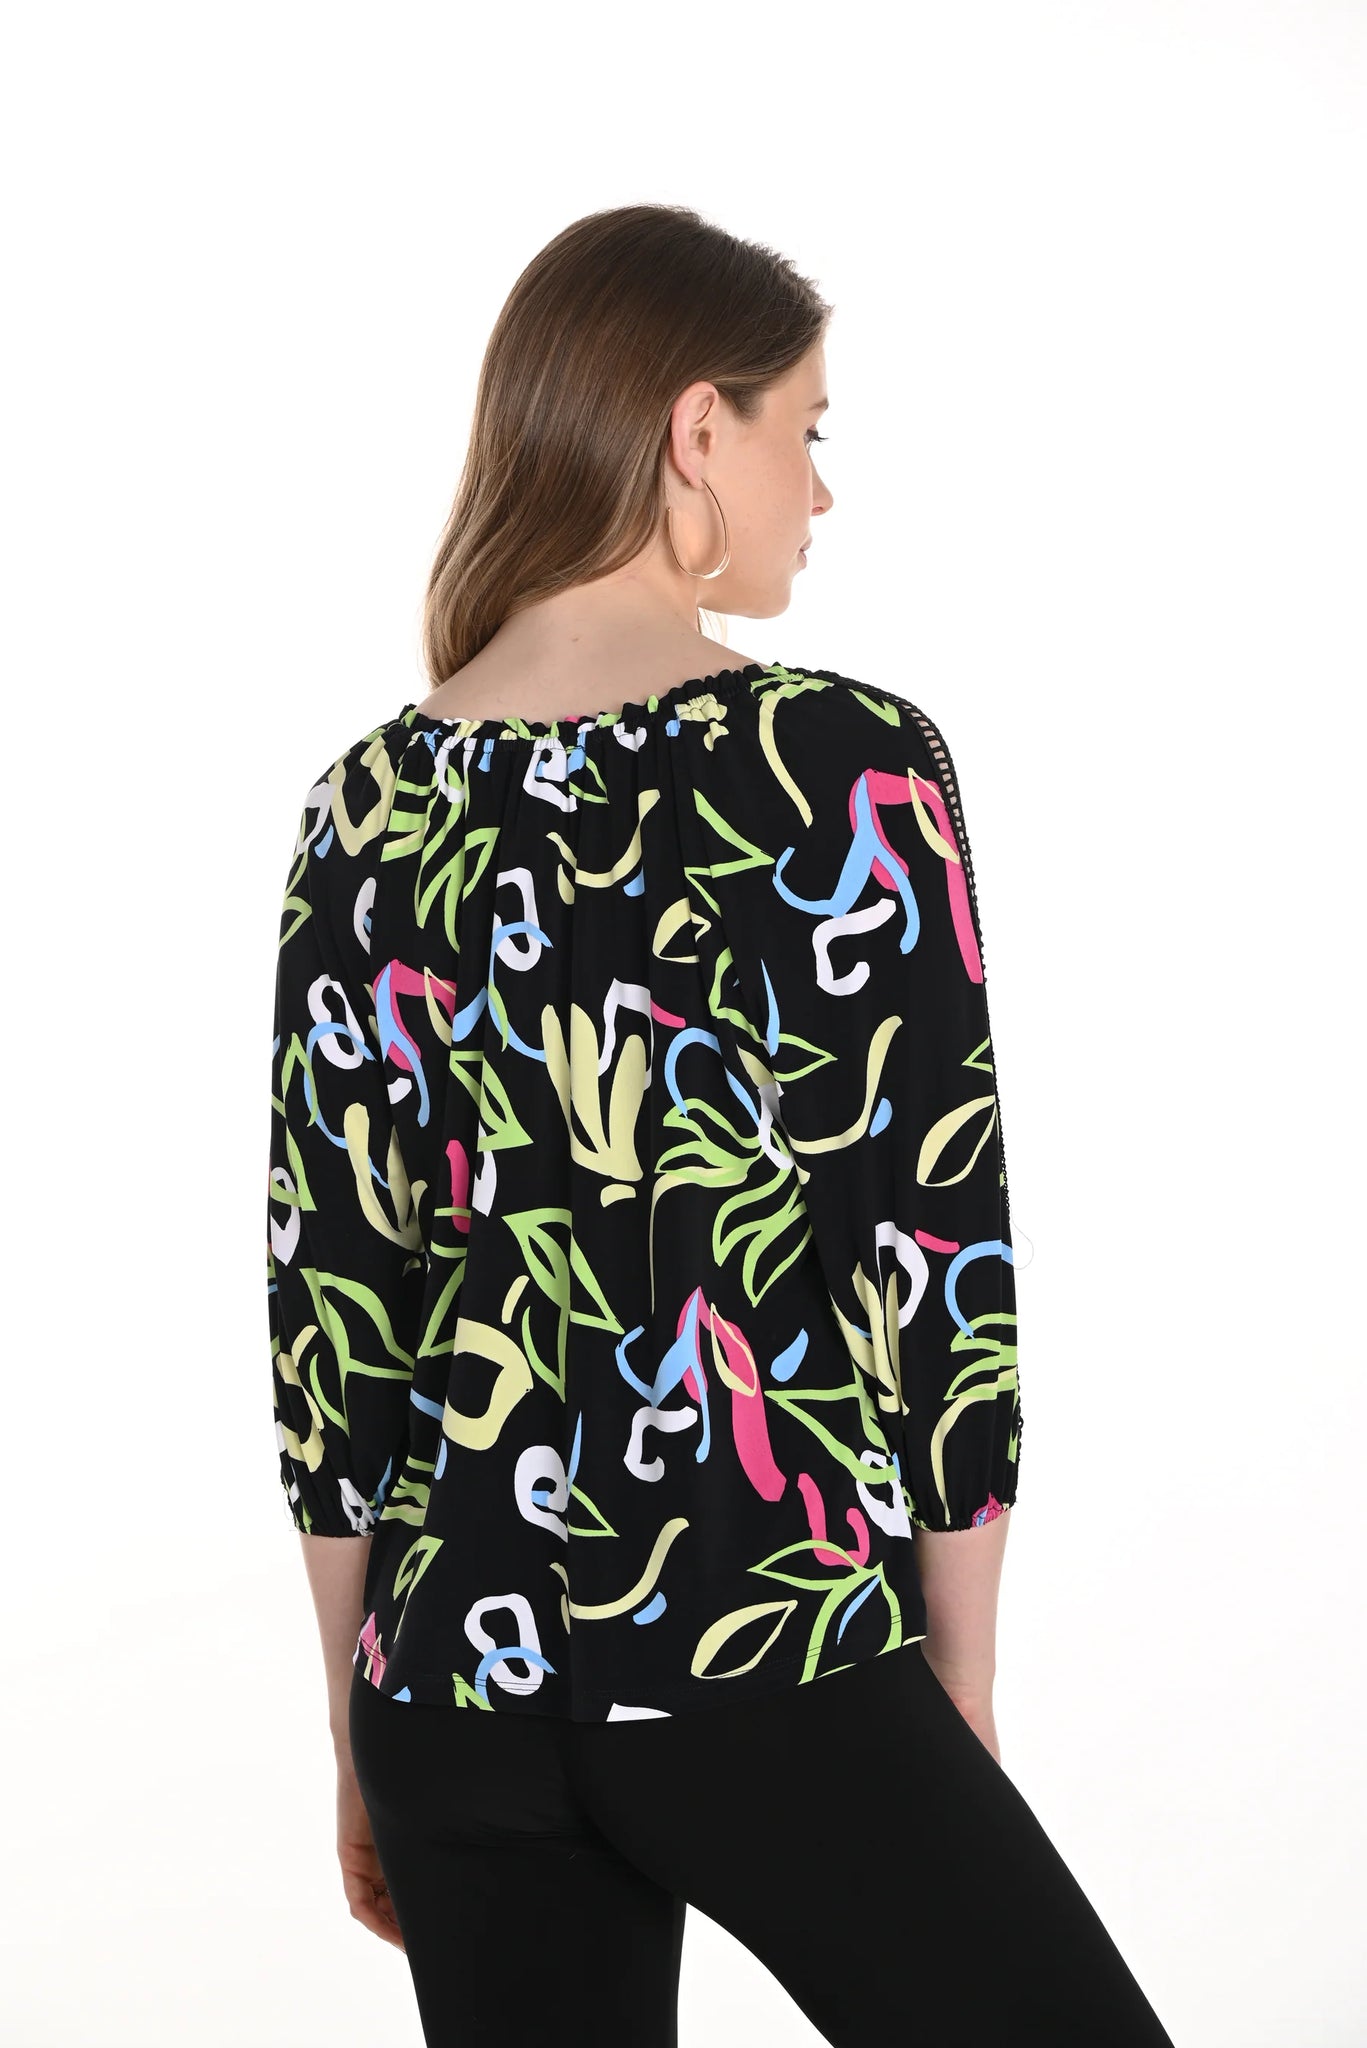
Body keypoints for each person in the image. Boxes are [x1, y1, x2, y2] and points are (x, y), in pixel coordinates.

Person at [265, 202, 1176, 2046]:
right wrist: (960, 1675)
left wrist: (360, 1730)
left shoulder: (362, 808)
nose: (819, 493)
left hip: (453, 1678)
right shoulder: (843, 765)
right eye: (806, 430)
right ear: (701, 429)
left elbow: (335, 1319)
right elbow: (936, 1242)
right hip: (761, 1639)